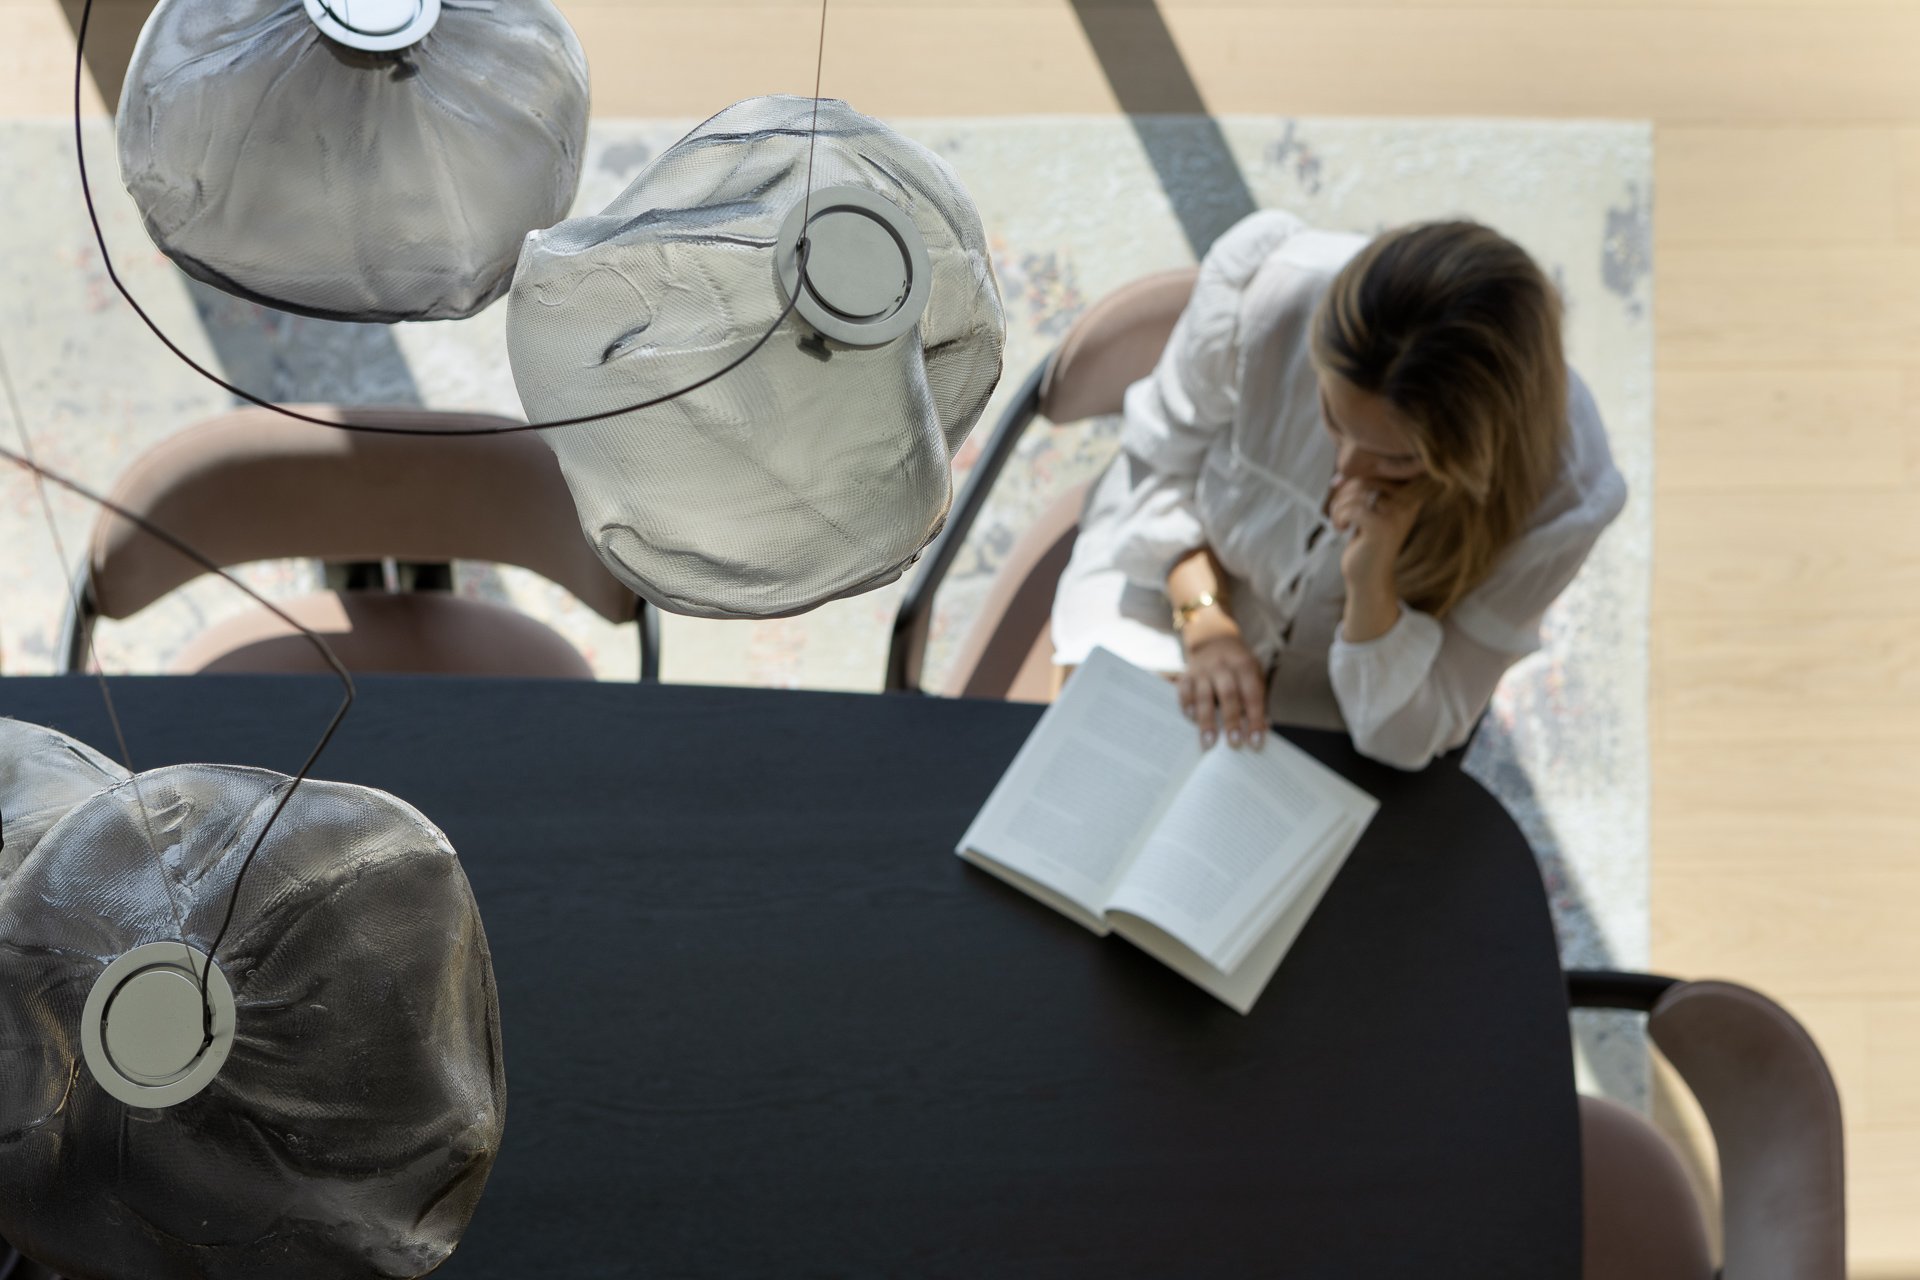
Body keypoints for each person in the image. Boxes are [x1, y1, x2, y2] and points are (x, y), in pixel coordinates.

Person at [1048, 210, 1627, 770]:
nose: (1345, 467)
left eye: (1396, 458)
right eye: (1332, 416)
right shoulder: (1271, 297)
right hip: (1168, 585)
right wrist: (1206, 623)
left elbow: (1412, 730)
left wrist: (1370, 585)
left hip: (1344, 693)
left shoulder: (1567, 499)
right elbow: (1155, 469)